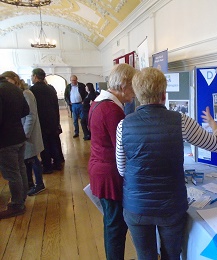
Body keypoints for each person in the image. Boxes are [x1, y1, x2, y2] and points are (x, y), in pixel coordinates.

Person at [115, 67, 217, 260]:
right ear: (164, 95)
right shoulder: (180, 120)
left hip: (136, 206)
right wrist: (215, 126)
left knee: (145, 256)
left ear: (138, 95)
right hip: (171, 206)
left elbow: (122, 168)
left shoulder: (124, 124)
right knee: (172, 255)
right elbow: (216, 144)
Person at [88, 64, 136, 260]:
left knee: (111, 221)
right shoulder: (111, 110)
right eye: (134, 86)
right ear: (124, 85)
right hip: (110, 172)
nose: (135, 92)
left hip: (100, 168)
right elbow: (121, 147)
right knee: (116, 225)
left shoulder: (99, 103)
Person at [1, 71, 45, 196]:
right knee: (25, 162)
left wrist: (25, 133)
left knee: (32, 159)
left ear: (15, 79)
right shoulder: (19, 92)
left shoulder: (26, 93)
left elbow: (31, 115)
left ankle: (39, 184)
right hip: (22, 132)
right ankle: (28, 185)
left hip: (27, 133)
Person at [0, 74, 29, 219]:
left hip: (5, 139)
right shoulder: (16, 89)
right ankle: (22, 198)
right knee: (20, 169)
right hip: (18, 135)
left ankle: (17, 204)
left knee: (12, 173)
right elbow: (26, 111)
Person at [30, 68, 62, 173]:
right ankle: (57, 164)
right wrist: (57, 122)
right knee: (54, 143)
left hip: (41, 122)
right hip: (52, 121)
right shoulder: (50, 89)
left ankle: (47, 167)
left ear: (35, 76)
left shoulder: (32, 90)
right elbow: (56, 107)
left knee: (44, 145)